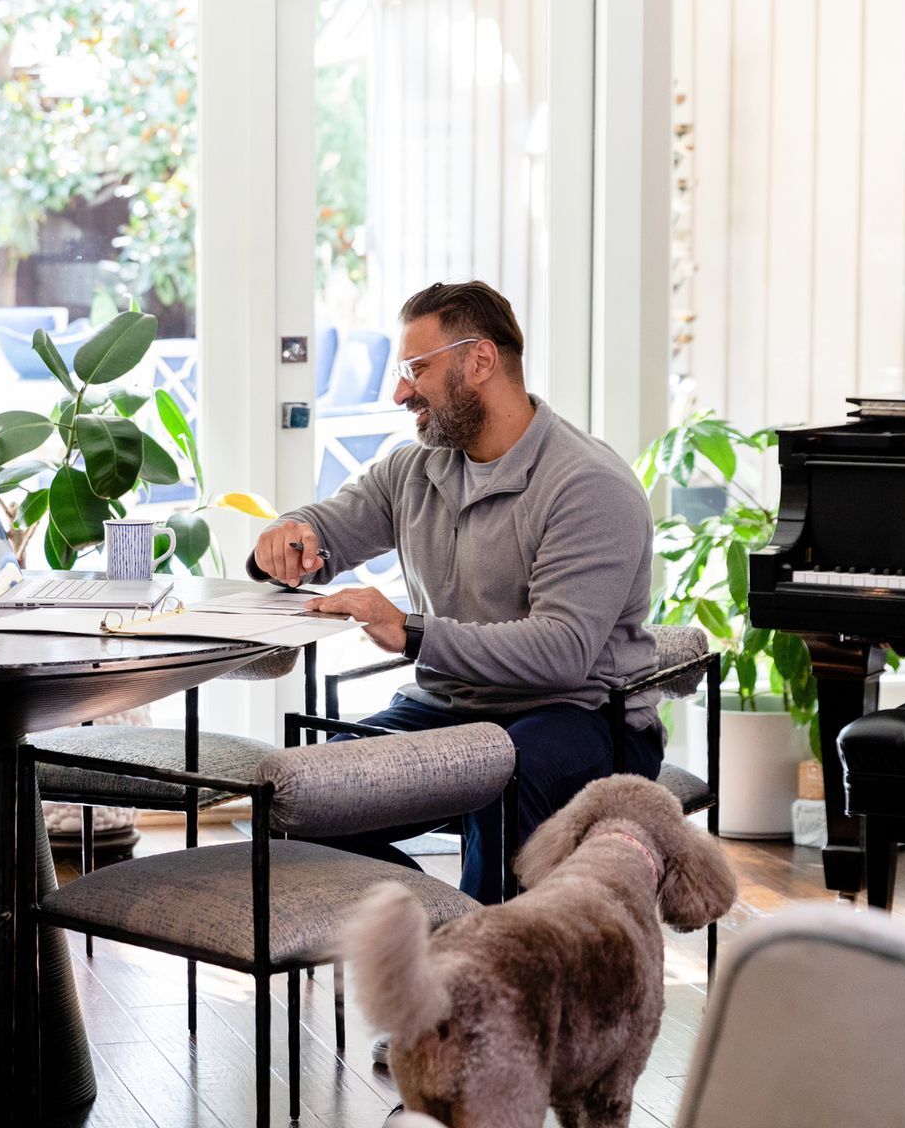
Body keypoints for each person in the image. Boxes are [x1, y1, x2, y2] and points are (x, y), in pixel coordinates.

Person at [249, 280, 659, 905]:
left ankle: (486, 970)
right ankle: (449, 927)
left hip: (579, 714)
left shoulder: (587, 485)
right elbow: (328, 526)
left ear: (481, 361)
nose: (399, 392)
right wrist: (285, 537)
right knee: (313, 795)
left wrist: (413, 632)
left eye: (417, 369)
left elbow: (563, 651)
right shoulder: (415, 469)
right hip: (450, 706)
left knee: (506, 775)